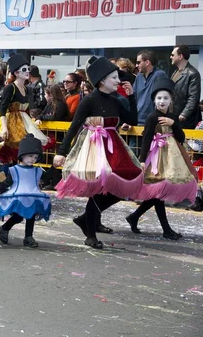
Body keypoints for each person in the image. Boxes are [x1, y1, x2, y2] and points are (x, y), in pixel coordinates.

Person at [53, 56, 141, 249]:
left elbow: (133, 120)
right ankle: (90, 233)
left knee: (122, 186)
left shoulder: (116, 101)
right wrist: (61, 151)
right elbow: (74, 126)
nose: (118, 81)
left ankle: (86, 219)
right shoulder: (89, 100)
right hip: (92, 147)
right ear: (102, 80)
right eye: (114, 78)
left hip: (113, 147)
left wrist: (131, 96)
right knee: (96, 189)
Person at [126, 77, 197, 240]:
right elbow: (146, 139)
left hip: (172, 158)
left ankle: (135, 217)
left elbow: (181, 137)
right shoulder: (152, 117)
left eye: (165, 98)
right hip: (156, 157)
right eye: (159, 98)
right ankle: (165, 229)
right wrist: (143, 159)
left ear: (171, 99)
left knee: (159, 193)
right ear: (154, 100)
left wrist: (174, 123)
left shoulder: (173, 116)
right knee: (158, 191)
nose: (162, 101)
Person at [0, 134, 51, 247]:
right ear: (22, 155)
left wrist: (53, 168)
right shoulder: (14, 169)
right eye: (30, 156)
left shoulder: (37, 170)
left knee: (31, 216)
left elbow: (47, 179)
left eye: (35, 157)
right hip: (18, 196)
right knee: (18, 217)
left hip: (32, 196)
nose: (32, 159)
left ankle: (28, 237)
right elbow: (8, 182)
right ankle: (4, 228)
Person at [0, 54, 48, 165]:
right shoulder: (10, 88)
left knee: (28, 147)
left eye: (28, 69)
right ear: (16, 73)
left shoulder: (27, 89)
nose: (28, 71)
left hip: (24, 123)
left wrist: (33, 123)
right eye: (24, 69)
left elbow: (28, 110)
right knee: (14, 149)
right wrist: (4, 128)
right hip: (12, 124)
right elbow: (3, 109)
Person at [170, 45, 202, 129]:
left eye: (173, 55)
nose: (170, 57)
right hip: (174, 118)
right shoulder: (175, 72)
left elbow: (193, 97)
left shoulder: (193, 73)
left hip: (186, 121)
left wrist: (184, 114)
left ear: (180, 56)